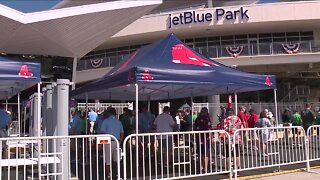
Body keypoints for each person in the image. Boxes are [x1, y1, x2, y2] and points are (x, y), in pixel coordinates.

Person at [100, 107, 124, 179]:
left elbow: (102, 132)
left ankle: (109, 175)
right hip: (117, 141)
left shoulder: (105, 121)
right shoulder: (118, 121)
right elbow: (122, 132)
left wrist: (101, 144)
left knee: (108, 160)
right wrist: (120, 141)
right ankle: (118, 174)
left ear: (109, 113)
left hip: (108, 141)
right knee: (117, 160)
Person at [223, 108, 243, 173]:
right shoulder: (237, 118)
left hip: (228, 138)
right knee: (236, 154)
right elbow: (240, 126)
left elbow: (223, 127)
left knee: (228, 155)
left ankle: (229, 169)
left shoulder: (225, 119)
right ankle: (237, 168)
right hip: (236, 137)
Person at [194, 107, 212, 173]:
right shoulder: (207, 119)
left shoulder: (197, 119)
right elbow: (209, 128)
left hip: (199, 138)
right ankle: (205, 168)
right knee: (206, 153)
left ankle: (201, 167)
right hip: (205, 138)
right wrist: (210, 137)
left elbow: (195, 128)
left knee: (200, 153)